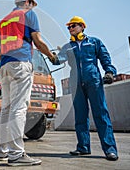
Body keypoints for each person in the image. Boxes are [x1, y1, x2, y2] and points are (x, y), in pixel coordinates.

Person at [0, 0, 56, 166]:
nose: (33, 7)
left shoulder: (4, 20)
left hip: (5, 66)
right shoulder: (29, 14)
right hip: (21, 64)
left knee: (6, 109)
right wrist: (51, 56)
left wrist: (7, 59)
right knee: (18, 109)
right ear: (28, 2)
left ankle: (3, 151)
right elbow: (38, 41)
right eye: (33, 4)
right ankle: (16, 154)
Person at [51, 16, 119, 161]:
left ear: (82, 26)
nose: (70, 29)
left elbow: (105, 59)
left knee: (101, 114)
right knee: (80, 116)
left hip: (93, 81)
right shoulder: (67, 47)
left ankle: (110, 149)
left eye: (73, 26)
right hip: (75, 84)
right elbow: (58, 60)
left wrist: (109, 72)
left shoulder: (94, 42)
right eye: (68, 27)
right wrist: (48, 53)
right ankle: (83, 147)